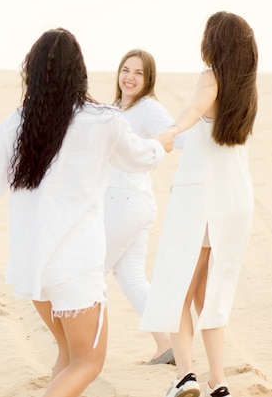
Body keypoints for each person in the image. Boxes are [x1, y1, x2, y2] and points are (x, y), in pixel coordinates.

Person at [0, 28, 174, 397]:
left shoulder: (20, 121)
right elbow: (141, 157)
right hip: (75, 268)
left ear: (33, 72)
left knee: (67, 353)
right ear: (79, 72)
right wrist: (160, 144)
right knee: (88, 362)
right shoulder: (102, 120)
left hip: (34, 267)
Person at [141, 11, 258, 397]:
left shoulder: (211, 77)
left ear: (215, 42)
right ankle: (219, 381)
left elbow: (196, 108)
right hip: (235, 200)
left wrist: (172, 130)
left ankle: (185, 375)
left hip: (202, 201)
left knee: (179, 288)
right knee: (210, 294)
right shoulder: (247, 89)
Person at [104, 49, 184, 365]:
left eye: (138, 73)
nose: (130, 77)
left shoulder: (148, 109)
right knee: (131, 276)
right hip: (130, 203)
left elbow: (178, 136)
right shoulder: (114, 110)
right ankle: (169, 346)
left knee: (91, 272)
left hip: (125, 203)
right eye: (126, 70)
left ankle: (80, 353)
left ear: (148, 79)